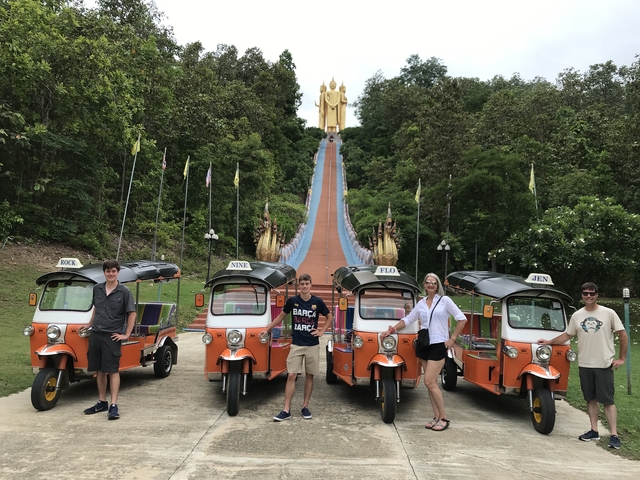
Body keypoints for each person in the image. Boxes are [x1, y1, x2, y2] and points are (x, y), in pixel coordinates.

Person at [538, 282, 628, 449]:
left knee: (607, 400)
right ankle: (593, 430)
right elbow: (568, 334)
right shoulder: (577, 316)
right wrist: (549, 342)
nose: (589, 296)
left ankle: (614, 435)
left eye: (592, 293)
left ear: (597, 295)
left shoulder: (608, 313)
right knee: (590, 398)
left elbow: (623, 335)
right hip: (585, 364)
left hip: (604, 364)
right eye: (585, 293)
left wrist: (622, 358)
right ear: (582, 295)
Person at [381, 273, 467, 431]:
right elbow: (409, 319)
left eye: (433, 282)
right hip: (423, 345)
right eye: (427, 282)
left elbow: (461, 318)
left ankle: (444, 418)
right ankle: (436, 417)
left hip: (438, 345)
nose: (430, 285)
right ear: (424, 285)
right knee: (430, 384)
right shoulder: (421, 303)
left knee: (429, 381)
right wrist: (392, 329)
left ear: (437, 285)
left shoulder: (445, 301)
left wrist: (452, 339)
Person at [263, 273, 333, 421]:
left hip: (312, 344)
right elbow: (281, 316)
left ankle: (305, 406)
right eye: (302, 284)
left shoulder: (317, 302)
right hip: (297, 344)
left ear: (311, 285)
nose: (305, 286)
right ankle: (286, 409)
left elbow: (330, 317)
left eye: (307, 283)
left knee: (309, 376)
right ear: (298, 286)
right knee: (291, 375)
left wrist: (321, 331)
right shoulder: (293, 301)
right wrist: (268, 328)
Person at [80, 260, 136, 420]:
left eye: (113, 271)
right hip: (96, 334)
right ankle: (102, 401)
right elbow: (96, 308)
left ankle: (113, 405)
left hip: (112, 336)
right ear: (104, 273)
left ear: (117, 273)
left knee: (112, 370)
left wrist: (126, 334)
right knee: (99, 370)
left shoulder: (124, 292)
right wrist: (89, 324)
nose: (110, 274)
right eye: (108, 271)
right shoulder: (97, 289)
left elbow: (131, 314)